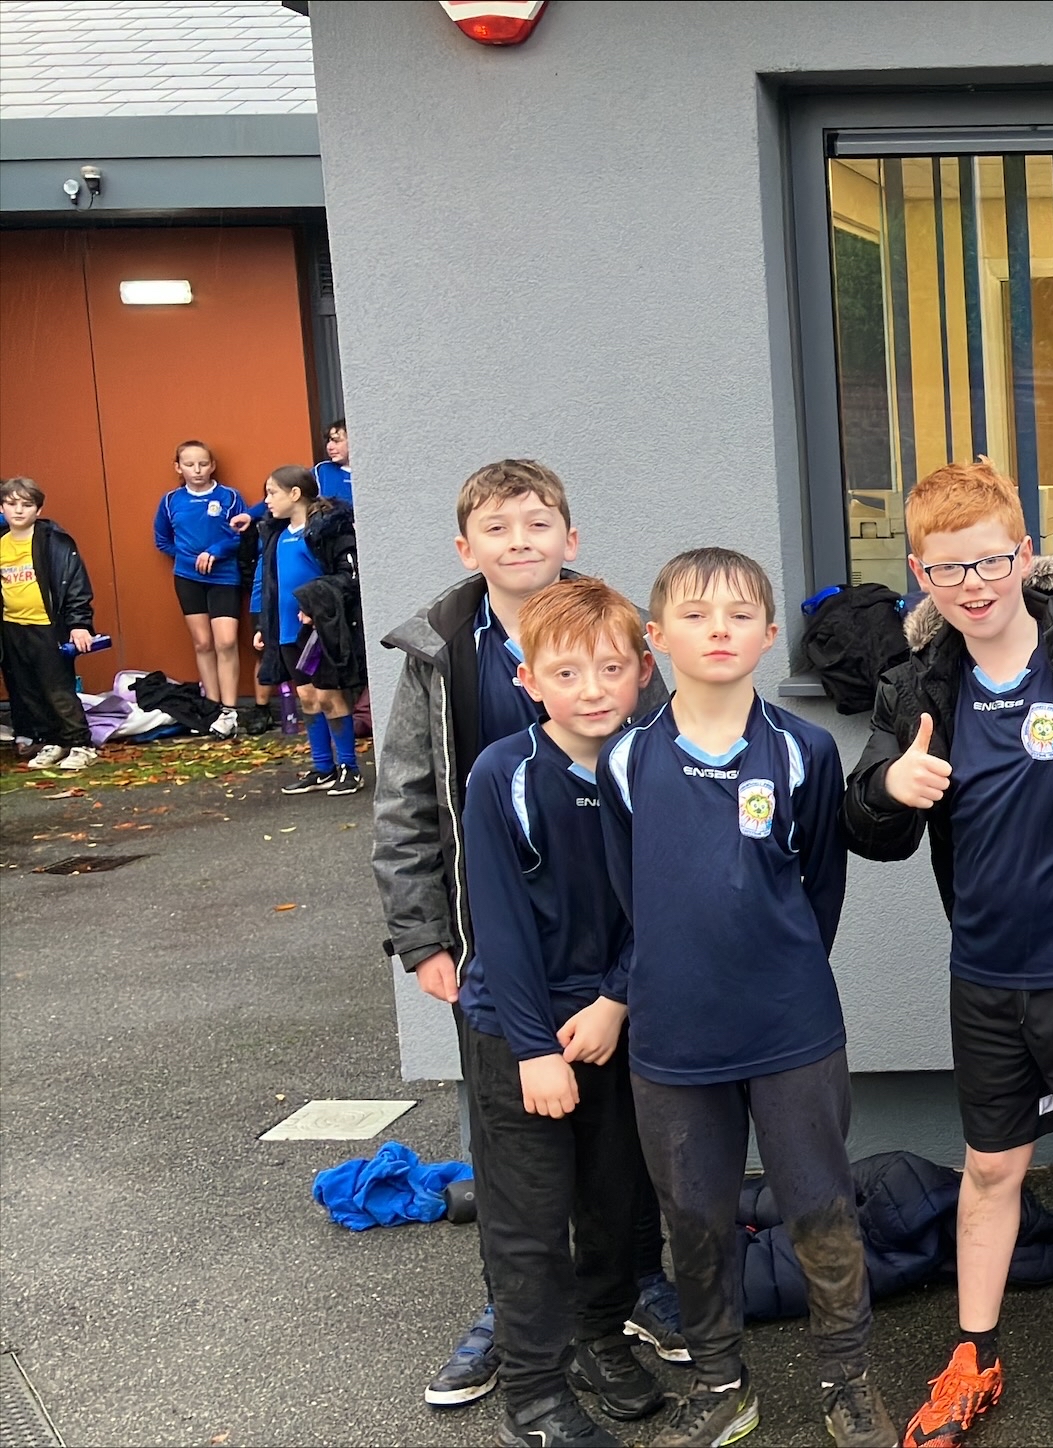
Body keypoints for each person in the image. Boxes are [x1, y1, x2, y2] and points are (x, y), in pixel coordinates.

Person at [846, 460, 1053, 1448]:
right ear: (920, 573)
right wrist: (887, 790)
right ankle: (972, 1358)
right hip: (986, 975)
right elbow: (868, 824)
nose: (974, 584)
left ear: (1025, 554)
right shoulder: (917, 683)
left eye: (991, 560)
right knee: (989, 1168)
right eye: (949, 568)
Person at [373, 459, 683, 1410]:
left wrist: (630, 979)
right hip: (494, 940)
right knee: (517, 1154)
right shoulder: (443, 654)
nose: (520, 542)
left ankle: (624, 1296)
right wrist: (422, 934)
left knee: (619, 1148)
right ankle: (512, 1320)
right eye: (498, 529)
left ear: (569, 539)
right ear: (467, 549)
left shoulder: (612, 634)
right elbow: (405, 801)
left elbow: (666, 779)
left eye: (537, 524)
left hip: (614, 953)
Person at [602, 547, 893, 1448]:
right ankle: (721, 1385)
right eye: (695, 615)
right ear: (656, 638)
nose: (718, 631)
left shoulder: (803, 750)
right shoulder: (626, 758)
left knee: (820, 1206)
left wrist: (778, 969)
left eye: (738, 615)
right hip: (673, 1035)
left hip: (789, 1026)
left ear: (769, 636)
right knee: (694, 1217)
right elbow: (627, 894)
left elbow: (819, 889)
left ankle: (846, 1379)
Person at [458, 577, 665, 1448]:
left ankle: (599, 1338)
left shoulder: (655, 767)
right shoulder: (502, 774)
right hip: (519, 1030)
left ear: (643, 671)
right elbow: (497, 925)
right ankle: (535, 1396)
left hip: (616, 1022)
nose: (592, 690)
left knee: (617, 1202)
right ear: (528, 679)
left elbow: (661, 906)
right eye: (567, 673)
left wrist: (616, 998)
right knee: (531, 1220)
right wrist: (534, 1049)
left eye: (611, 669)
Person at [248, 466, 362, 796]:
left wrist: (316, 606)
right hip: (286, 632)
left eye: (272, 493)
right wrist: (264, 625)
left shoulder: (326, 530)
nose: (267, 501)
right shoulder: (276, 535)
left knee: (329, 695)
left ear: (295, 494)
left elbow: (348, 577)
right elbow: (270, 584)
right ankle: (322, 767)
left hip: (317, 632)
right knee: (308, 697)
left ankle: (349, 768)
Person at [152, 439, 251, 736]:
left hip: (224, 576)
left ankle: (230, 710)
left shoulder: (229, 497)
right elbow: (162, 540)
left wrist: (216, 552)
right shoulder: (171, 501)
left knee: (226, 641)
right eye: (189, 464)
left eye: (203, 464)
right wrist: (187, 557)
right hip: (188, 578)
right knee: (203, 643)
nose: (197, 470)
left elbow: (243, 535)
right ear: (178, 467)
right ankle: (212, 707)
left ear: (212, 466)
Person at [0, 477, 99, 773]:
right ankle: (52, 740)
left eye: (26, 504)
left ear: (38, 510)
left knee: (57, 688)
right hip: (11, 627)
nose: (19, 510)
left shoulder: (54, 542)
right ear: (2, 508)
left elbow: (76, 585)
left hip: (47, 627)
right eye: (12, 504)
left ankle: (81, 743)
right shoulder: (1, 543)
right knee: (27, 689)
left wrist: (79, 624)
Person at [316, 419, 355, 508]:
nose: (329, 447)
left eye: (336, 441)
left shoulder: (372, 472)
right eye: (328, 441)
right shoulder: (322, 471)